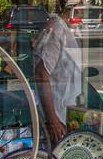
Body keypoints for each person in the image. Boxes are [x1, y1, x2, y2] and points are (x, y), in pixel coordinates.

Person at [34, 8, 84, 145]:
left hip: (67, 114)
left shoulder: (63, 29)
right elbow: (41, 74)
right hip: (58, 115)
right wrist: (53, 119)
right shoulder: (57, 30)